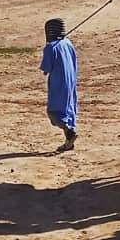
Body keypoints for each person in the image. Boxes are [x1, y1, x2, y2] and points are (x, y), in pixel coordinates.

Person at [41, 18, 78, 152]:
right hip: (71, 81)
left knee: (55, 112)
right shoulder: (68, 43)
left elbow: (46, 69)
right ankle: (69, 142)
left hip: (58, 82)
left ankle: (69, 133)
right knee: (69, 108)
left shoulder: (50, 48)